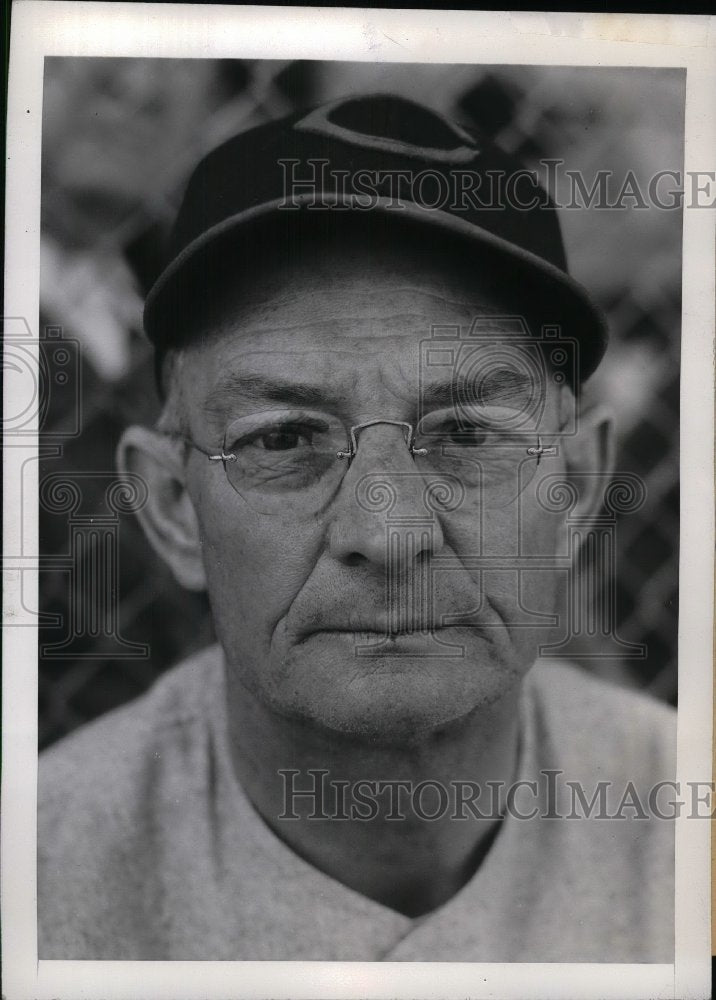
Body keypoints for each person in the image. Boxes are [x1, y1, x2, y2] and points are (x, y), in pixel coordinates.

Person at [38, 94, 674, 962]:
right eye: (284, 440)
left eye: (466, 436)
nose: (388, 531)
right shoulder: (39, 879)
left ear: (576, 487)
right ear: (174, 507)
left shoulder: (683, 829)